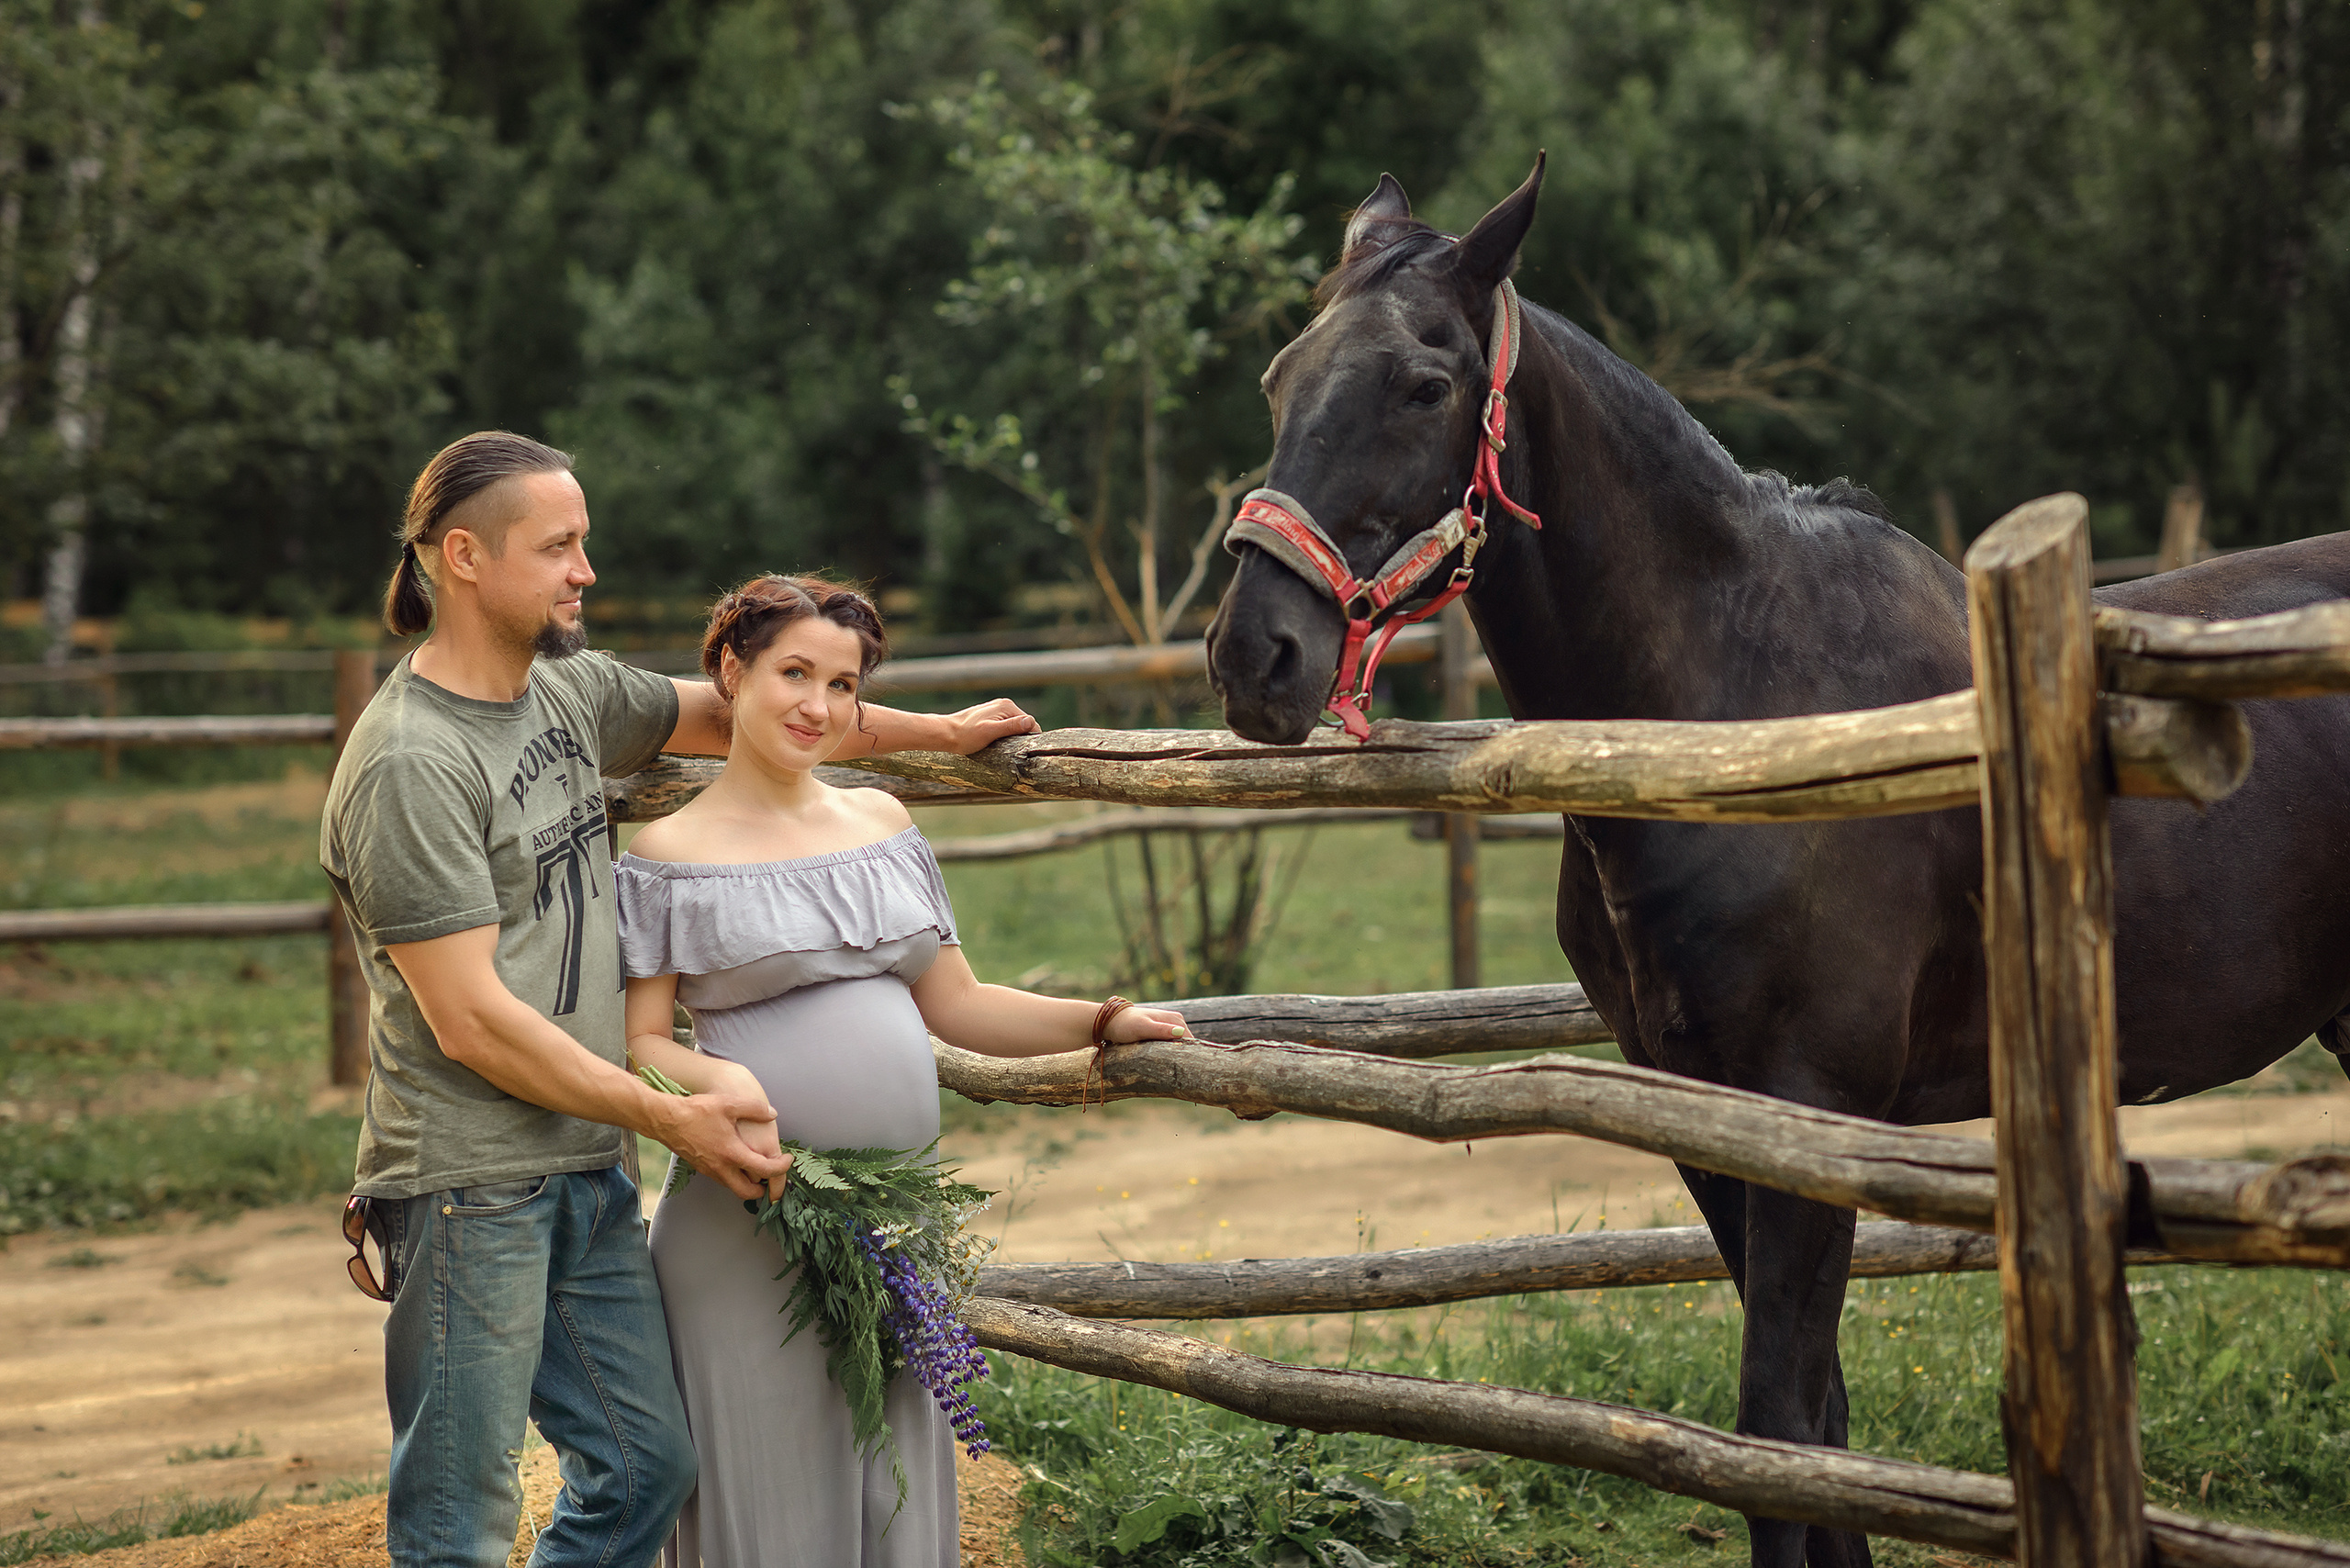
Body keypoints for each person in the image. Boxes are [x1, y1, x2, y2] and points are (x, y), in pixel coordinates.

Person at [323, 431, 1038, 1568]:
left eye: (584, 543)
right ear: (462, 555)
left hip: (584, 1165)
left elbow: (750, 713)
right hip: (466, 1182)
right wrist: (667, 1111)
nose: (585, 571)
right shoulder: (412, 760)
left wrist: (942, 737)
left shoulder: (564, 694)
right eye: (559, 546)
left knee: (647, 1466)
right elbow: (467, 1019)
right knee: (460, 1510)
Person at [616, 574, 1189, 1568]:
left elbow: (959, 1004)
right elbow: (642, 1043)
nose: (818, 706)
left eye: (842, 685)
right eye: (794, 673)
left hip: (892, 1229)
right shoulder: (667, 852)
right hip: (746, 1225)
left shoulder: (880, 820)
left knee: (891, 1484)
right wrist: (721, 1093)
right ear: (729, 671)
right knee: (768, 1492)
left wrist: (1103, 1019)